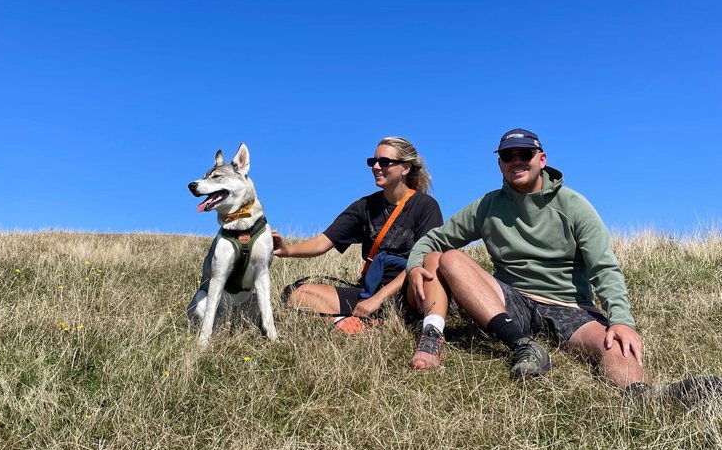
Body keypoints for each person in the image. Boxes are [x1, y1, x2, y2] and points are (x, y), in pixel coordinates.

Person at [406, 128, 648, 391]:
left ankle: (642, 397)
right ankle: (522, 345)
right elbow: (434, 240)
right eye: (508, 156)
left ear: (541, 159)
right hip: (512, 302)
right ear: (500, 164)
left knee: (614, 344)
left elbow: (604, 267)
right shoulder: (487, 206)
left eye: (525, 153)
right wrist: (414, 266)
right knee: (448, 258)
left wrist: (621, 321)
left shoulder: (574, 205)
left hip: (568, 306)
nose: (517, 160)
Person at [273, 137, 442, 332]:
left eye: (384, 162)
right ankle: (349, 322)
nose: (376, 167)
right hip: (369, 291)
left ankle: (383, 319)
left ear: (405, 168)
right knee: (296, 294)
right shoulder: (364, 207)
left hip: (408, 291)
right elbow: (323, 242)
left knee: (423, 280)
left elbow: (424, 262)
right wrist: (286, 250)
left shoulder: (425, 206)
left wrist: (378, 299)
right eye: (373, 162)